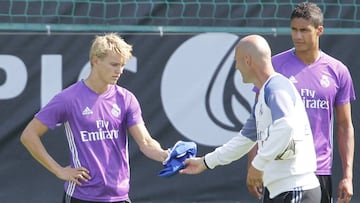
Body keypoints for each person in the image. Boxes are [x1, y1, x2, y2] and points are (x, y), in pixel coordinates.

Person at [20, 33, 169, 203]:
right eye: (114, 65)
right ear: (95, 60)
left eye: (121, 65)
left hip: (119, 196)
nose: (119, 71)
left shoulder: (126, 98)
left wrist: (166, 155)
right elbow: (29, 135)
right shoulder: (68, 99)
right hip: (81, 196)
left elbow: (146, 143)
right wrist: (59, 170)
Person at [180, 34, 321, 203]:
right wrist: (205, 162)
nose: (236, 67)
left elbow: (286, 126)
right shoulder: (264, 93)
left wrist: (258, 164)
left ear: (247, 61)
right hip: (283, 191)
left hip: (297, 190)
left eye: (236, 61)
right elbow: (244, 140)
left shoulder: (276, 86)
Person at [246, 2, 355, 203]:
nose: (297, 36)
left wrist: (348, 176)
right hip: (280, 169)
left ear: (319, 30)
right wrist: (254, 164)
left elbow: (344, 126)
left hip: (318, 171)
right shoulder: (275, 67)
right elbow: (257, 119)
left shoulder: (338, 71)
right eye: (294, 30)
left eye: (304, 30)